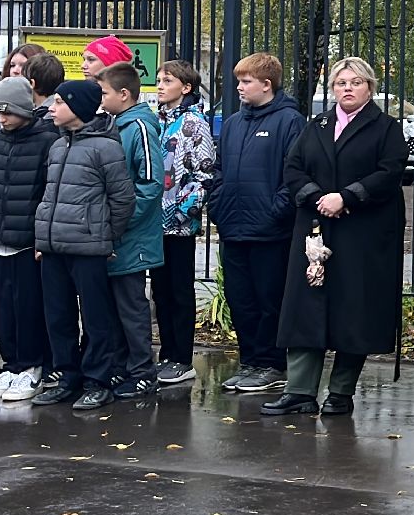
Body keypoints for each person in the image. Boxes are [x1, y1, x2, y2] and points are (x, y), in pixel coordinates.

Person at [265, 57, 406, 417]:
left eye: (355, 82)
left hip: (362, 234)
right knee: (305, 309)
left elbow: (390, 172)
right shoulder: (318, 125)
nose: (347, 88)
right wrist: (318, 197)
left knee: (352, 311)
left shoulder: (385, 127)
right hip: (316, 229)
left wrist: (347, 196)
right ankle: (300, 391)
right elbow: (293, 167)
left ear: (369, 88)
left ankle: (340, 393)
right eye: (341, 82)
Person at [31, 80, 135, 411]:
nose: (52, 108)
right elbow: (49, 195)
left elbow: (122, 198)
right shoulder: (57, 146)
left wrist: (107, 235)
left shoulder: (105, 147)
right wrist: (42, 238)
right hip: (53, 247)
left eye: (59, 102)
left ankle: (97, 380)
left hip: (88, 247)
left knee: (95, 317)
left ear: (77, 107)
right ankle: (66, 375)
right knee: (58, 315)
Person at [210, 52, 303, 394]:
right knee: (240, 299)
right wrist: (217, 204)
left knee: (269, 300)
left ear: (267, 85)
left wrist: (274, 211)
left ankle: (272, 364)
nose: (239, 88)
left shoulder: (290, 121)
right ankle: (250, 361)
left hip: (270, 232)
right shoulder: (234, 123)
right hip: (233, 226)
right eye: (238, 81)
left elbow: (293, 176)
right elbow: (219, 170)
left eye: (246, 81)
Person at [0, 76, 57, 402]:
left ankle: (32, 366)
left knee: (28, 307)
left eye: (8, 112)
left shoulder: (45, 141)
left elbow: (45, 194)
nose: (2, 119)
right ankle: (10, 365)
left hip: (28, 242)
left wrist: (40, 239)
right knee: (4, 305)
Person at [97, 62, 163, 400]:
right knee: (113, 307)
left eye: (105, 92)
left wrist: (118, 221)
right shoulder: (114, 124)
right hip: (114, 234)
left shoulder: (138, 127)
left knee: (132, 307)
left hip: (130, 236)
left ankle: (142, 372)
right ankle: (120, 367)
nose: (100, 97)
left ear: (123, 94)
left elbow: (151, 183)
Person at [152, 61, 216, 385]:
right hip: (154, 223)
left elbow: (203, 175)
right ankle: (166, 354)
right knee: (160, 292)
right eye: (159, 80)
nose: (160, 85)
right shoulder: (160, 119)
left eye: (167, 80)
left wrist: (179, 211)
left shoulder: (195, 123)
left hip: (178, 223)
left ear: (186, 87)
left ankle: (182, 357)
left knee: (179, 291)